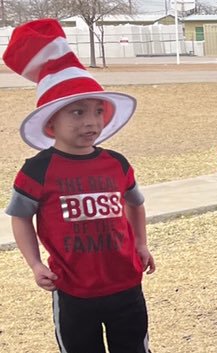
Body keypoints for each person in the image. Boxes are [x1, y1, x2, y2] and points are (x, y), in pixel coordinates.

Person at [3, 18, 154, 352]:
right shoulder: (37, 170)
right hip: (73, 291)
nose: (91, 121)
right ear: (50, 121)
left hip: (126, 285)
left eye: (98, 111)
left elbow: (135, 202)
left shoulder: (117, 162)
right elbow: (20, 216)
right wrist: (35, 264)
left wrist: (141, 243)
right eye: (77, 112)